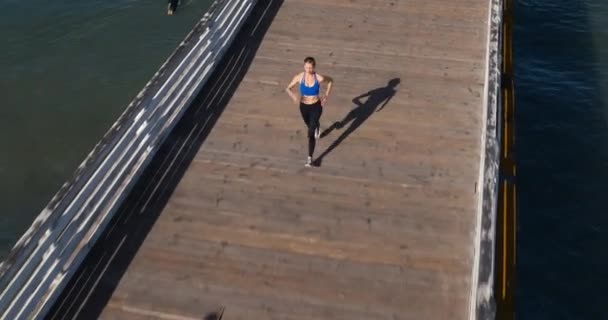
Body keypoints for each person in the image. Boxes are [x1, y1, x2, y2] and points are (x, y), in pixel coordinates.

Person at [285, 57, 334, 167]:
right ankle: (316, 126)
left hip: (316, 106)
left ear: (314, 67)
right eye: (306, 67)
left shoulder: (319, 78)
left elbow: (330, 81)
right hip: (304, 107)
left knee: (310, 133)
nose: (308, 70)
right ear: (304, 67)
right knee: (310, 125)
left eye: (310, 68)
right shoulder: (299, 77)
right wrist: (293, 96)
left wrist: (326, 95)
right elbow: (288, 88)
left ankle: (309, 158)